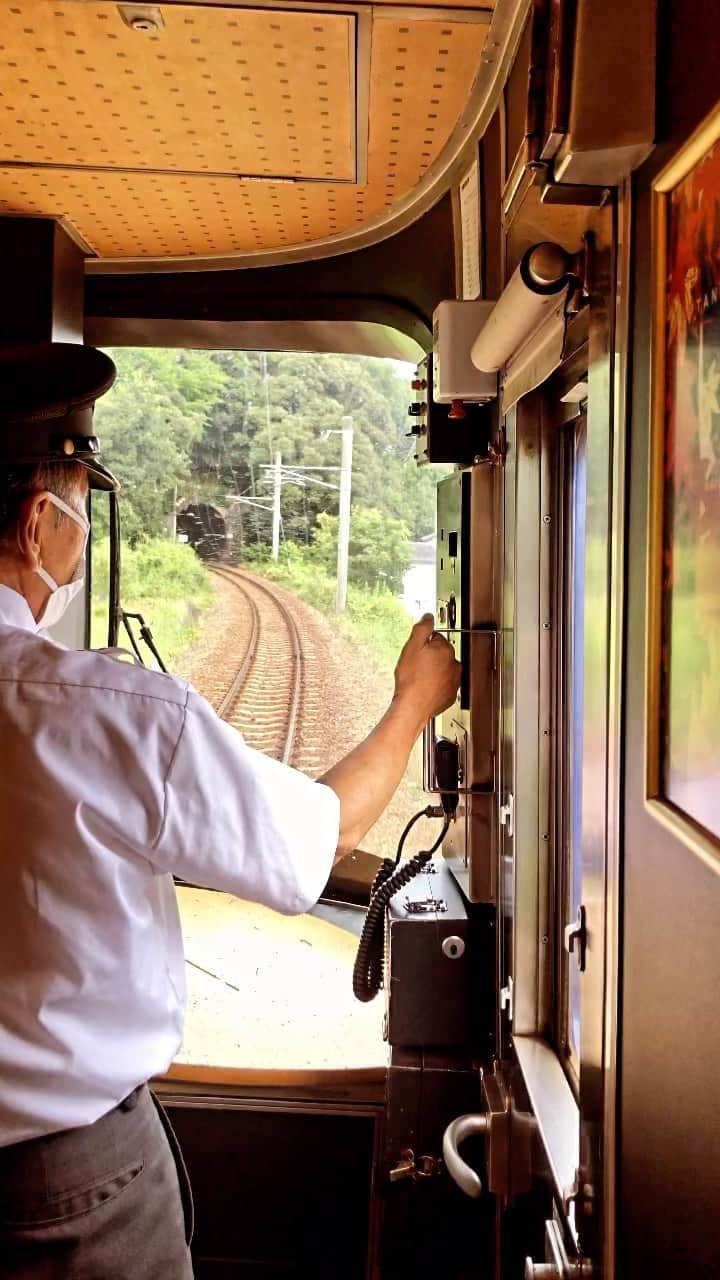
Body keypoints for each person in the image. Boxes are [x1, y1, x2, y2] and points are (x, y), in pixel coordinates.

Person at [0, 344, 461, 1278]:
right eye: (82, 496)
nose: (82, 526)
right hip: (59, 1186)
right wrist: (415, 701)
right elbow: (317, 839)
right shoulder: (106, 710)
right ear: (35, 520)